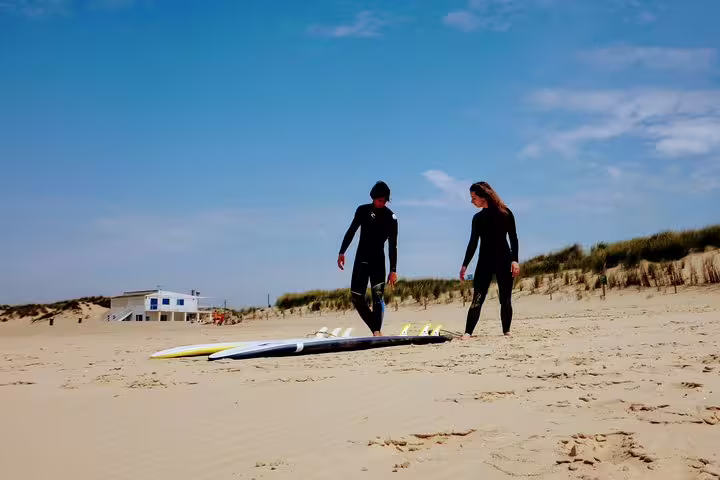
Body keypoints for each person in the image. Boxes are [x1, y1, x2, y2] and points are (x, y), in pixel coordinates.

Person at [459, 181, 519, 338]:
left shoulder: (505, 213)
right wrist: (465, 264)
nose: (472, 201)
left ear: (483, 196)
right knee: (477, 297)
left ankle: (506, 331)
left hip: (504, 260)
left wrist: (515, 260)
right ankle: (467, 332)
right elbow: (473, 243)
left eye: (474, 198)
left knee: (505, 298)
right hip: (484, 262)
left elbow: (513, 239)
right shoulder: (477, 219)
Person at [338, 181, 398, 336]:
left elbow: (393, 245)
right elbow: (351, 231)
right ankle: (375, 328)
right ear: (373, 197)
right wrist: (342, 252)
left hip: (378, 260)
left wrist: (393, 270)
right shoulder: (362, 210)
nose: (381, 203)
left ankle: (376, 332)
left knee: (377, 296)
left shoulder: (391, 217)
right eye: (379, 200)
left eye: (384, 200)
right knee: (356, 297)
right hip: (362, 259)